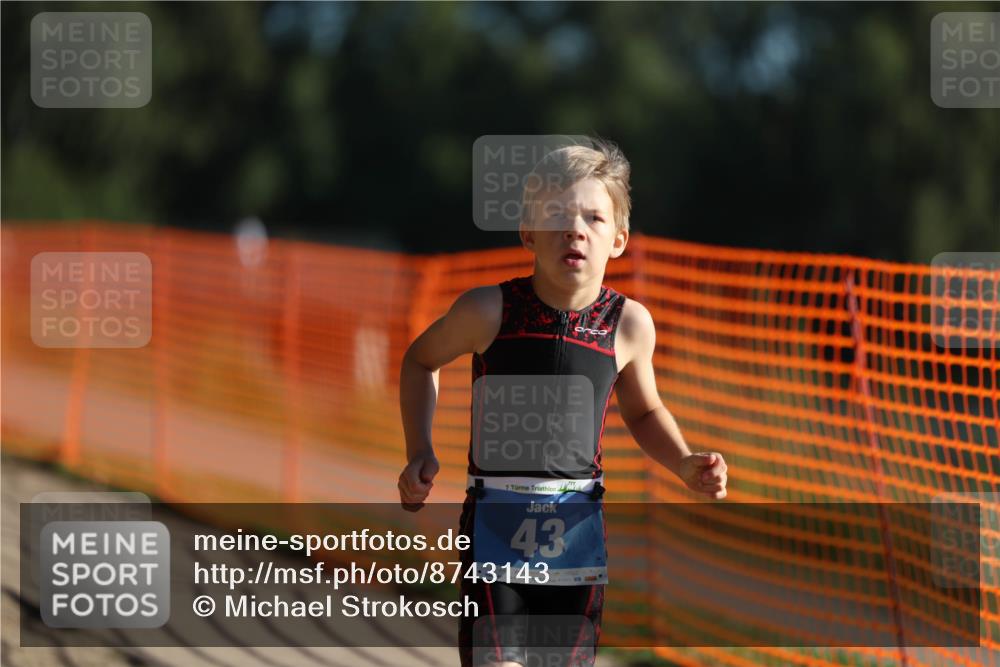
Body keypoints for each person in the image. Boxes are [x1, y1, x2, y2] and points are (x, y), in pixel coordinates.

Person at [398, 138, 728, 667]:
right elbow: (419, 361)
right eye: (557, 215)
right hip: (495, 531)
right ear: (528, 232)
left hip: (576, 538)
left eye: (594, 218)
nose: (575, 228)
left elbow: (643, 412)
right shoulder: (489, 310)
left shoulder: (629, 325)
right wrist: (420, 450)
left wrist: (684, 463)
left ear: (618, 239)